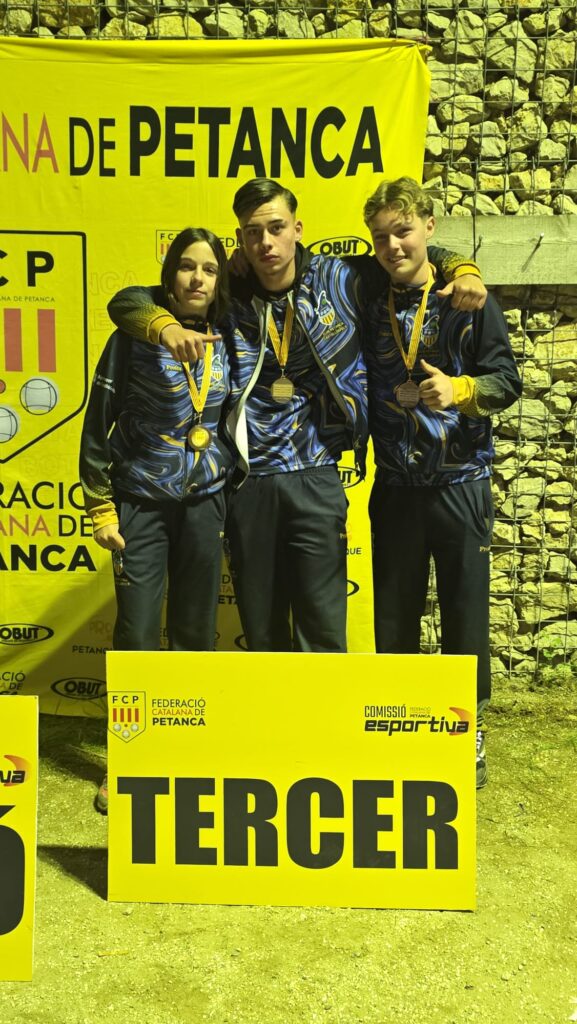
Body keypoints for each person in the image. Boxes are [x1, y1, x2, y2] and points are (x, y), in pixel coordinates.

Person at [107, 178, 487, 654]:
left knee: (322, 629)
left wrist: (464, 268)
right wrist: (163, 326)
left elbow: (408, 254)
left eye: (276, 228)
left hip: (317, 473)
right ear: (240, 239)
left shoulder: (343, 276)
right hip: (250, 478)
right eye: (252, 232)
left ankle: (322, 708)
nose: (265, 242)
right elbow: (128, 301)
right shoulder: (228, 288)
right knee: (262, 631)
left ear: (298, 229)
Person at [361, 177, 522, 788]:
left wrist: (461, 390)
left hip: (461, 483)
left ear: (429, 226)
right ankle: (398, 723)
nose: (393, 246)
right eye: (380, 237)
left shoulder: (469, 301)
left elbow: (507, 382)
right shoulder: (366, 292)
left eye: (403, 231)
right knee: (394, 615)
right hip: (395, 488)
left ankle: (466, 730)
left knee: (463, 612)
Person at [80, 227, 241, 811]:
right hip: (140, 504)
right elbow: (97, 425)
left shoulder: (231, 335)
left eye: (209, 269)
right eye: (186, 267)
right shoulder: (134, 334)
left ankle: (187, 755)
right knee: (138, 636)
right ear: (170, 273)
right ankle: (128, 762)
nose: (197, 279)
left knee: (196, 635)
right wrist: (101, 508)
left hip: (204, 505)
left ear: (220, 279)